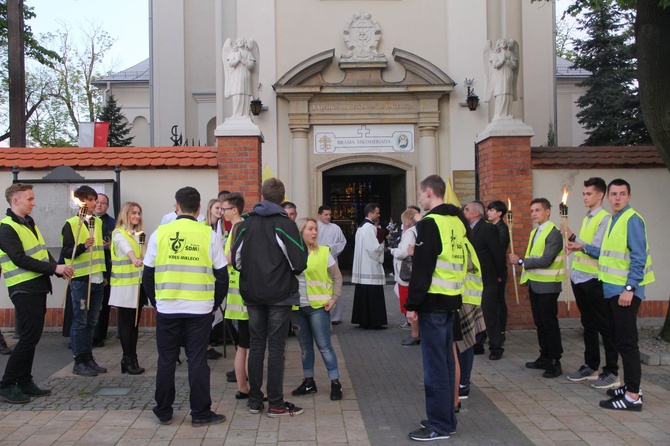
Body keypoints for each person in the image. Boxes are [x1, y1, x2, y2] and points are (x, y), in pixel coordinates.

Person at [143, 186, 228, 427]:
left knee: (166, 359)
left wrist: (155, 302)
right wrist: (213, 305)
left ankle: (163, 410)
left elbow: (147, 275)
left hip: (168, 307)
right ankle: (200, 413)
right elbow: (222, 276)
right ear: (200, 208)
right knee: (198, 360)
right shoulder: (208, 235)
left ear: (176, 207)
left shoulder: (159, 233)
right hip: (199, 309)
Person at [231, 178, 308, 417]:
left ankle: (254, 400)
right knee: (276, 348)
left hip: (252, 294)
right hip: (279, 294)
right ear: (282, 199)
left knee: (256, 346)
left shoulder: (245, 224)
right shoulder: (285, 225)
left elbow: (236, 262)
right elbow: (299, 262)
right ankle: (275, 403)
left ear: (262, 197)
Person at [405, 175, 471, 441]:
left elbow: (423, 268)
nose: (420, 200)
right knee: (445, 363)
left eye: (421, 195)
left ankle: (439, 425)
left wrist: (412, 305)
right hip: (452, 298)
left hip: (433, 302)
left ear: (429, 192)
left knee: (434, 368)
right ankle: (447, 418)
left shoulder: (430, 223)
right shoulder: (457, 221)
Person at [0, 183, 74, 404]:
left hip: (36, 287)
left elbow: (41, 253)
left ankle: (25, 380)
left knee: (32, 338)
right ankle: (6, 384)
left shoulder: (28, 223)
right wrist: (54, 268)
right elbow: (19, 259)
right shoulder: (6, 228)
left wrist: (59, 269)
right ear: (15, 201)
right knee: (28, 338)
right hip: (23, 288)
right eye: (29, 199)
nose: (33, 202)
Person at [590, 179, 653, 411]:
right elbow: (608, 254)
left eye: (622, 194)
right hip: (612, 290)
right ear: (608, 196)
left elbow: (639, 257)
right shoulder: (614, 220)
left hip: (624, 292)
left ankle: (633, 396)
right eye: (613, 194)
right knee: (619, 340)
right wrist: (583, 246)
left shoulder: (632, 219)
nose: (617, 198)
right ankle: (628, 386)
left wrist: (630, 288)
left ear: (629, 196)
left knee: (627, 344)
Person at [563, 178, 619, 389]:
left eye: (588, 194)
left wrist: (578, 245)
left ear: (600, 195)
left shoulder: (604, 218)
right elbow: (585, 245)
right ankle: (591, 365)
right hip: (580, 277)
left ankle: (611, 369)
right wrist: (572, 239)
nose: (585, 197)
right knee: (588, 324)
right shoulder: (588, 218)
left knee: (605, 325)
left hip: (595, 280)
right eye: (584, 194)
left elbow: (598, 250)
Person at [509, 198, 564, 379]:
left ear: (548, 211)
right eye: (532, 210)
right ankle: (544, 355)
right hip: (535, 283)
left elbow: (546, 259)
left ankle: (555, 361)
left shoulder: (553, 233)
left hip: (548, 285)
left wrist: (521, 261)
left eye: (538, 210)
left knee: (549, 323)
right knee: (540, 323)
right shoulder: (535, 232)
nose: (534, 214)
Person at [290, 217, 344, 401]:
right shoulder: (291, 253)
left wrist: (334, 298)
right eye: (310, 229)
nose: (314, 232)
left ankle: (335, 382)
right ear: (301, 231)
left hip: (318, 307)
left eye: (315, 229)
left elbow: (337, 277)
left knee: (325, 347)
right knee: (305, 348)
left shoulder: (323, 253)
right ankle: (308, 382)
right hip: (297, 307)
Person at [61, 185, 108, 377]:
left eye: (95, 199)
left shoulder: (96, 222)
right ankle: (78, 360)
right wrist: (81, 246)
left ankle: (88, 357)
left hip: (96, 277)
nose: (94, 202)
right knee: (80, 321)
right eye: (90, 199)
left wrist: (103, 273)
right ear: (81, 201)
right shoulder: (71, 223)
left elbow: (98, 252)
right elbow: (65, 252)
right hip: (81, 278)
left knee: (92, 321)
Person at [464, 201, 506, 360]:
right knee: (476, 312)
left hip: (488, 277)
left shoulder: (488, 229)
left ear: (476, 213)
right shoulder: (467, 230)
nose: (464, 211)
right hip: (472, 279)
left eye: (467, 209)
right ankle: (478, 343)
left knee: (490, 313)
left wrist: (499, 273)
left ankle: (496, 346)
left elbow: (498, 253)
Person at [108, 202, 146, 375]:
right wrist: (134, 259)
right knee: (126, 323)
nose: (137, 216)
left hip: (136, 284)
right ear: (125, 214)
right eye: (133, 213)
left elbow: (143, 252)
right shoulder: (118, 233)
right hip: (123, 287)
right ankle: (127, 358)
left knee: (134, 323)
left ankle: (133, 357)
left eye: (139, 213)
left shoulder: (138, 234)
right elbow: (126, 248)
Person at [221, 192, 252, 398]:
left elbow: (232, 258)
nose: (222, 212)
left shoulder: (239, 228)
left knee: (244, 346)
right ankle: (246, 388)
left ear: (235, 210)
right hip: (241, 295)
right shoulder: (238, 228)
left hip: (238, 295)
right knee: (248, 346)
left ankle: (244, 387)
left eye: (224, 209)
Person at [351, 203, 388, 330]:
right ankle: (374, 322)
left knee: (363, 294)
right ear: (370, 214)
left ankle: (363, 320)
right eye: (377, 213)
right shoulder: (370, 228)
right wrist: (382, 245)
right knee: (373, 295)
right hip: (370, 266)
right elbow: (373, 248)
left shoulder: (361, 227)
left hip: (362, 266)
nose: (379, 215)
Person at [390, 208, 419, 345]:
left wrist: (393, 251)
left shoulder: (409, 233)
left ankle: (415, 334)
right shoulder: (415, 232)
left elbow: (402, 253)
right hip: (411, 273)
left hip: (406, 274)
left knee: (409, 306)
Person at [316, 205, 347, 325]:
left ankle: (335, 316)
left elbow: (342, 242)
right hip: (317, 261)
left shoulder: (335, 228)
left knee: (334, 285)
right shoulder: (315, 227)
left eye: (329, 214)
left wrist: (330, 248)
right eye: (325, 214)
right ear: (319, 215)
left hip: (331, 260)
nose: (328, 217)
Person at [486, 200, 510, 345]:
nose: (488, 212)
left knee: (499, 302)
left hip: (498, 270)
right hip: (490, 270)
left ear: (499, 213)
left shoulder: (502, 229)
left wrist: (499, 273)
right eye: (488, 210)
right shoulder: (490, 227)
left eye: (492, 210)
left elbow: (498, 251)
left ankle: (500, 331)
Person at [93, 193, 115, 348]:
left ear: (107, 206)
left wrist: (110, 245)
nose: (99, 205)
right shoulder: (84, 220)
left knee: (103, 303)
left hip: (106, 266)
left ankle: (99, 335)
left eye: (103, 203)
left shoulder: (112, 223)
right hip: (88, 267)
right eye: (97, 202)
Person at [223, 37, 256, 118]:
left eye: (242, 41)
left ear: (244, 43)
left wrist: (242, 60)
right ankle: (236, 114)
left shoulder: (248, 53)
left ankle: (245, 113)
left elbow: (251, 66)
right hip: (236, 76)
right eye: (238, 41)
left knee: (245, 93)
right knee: (237, 93)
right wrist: (238, 59)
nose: (240, 42)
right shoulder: (234, 53)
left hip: (245, 75)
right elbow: (231, 64)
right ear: (236, 43)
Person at [488, 38, 519, 120]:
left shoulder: (510, 54)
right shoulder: (496, 54)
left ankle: (508, 113)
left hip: (508, 74)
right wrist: (502, 61)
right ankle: (499, 113)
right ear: (499, 44)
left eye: (505, 42)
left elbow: (514, 66)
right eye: (502, 42)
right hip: (500, 76)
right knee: (500, 92)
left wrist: (508, 61)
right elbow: (495, 65)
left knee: (508, 92)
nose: (504, 43)